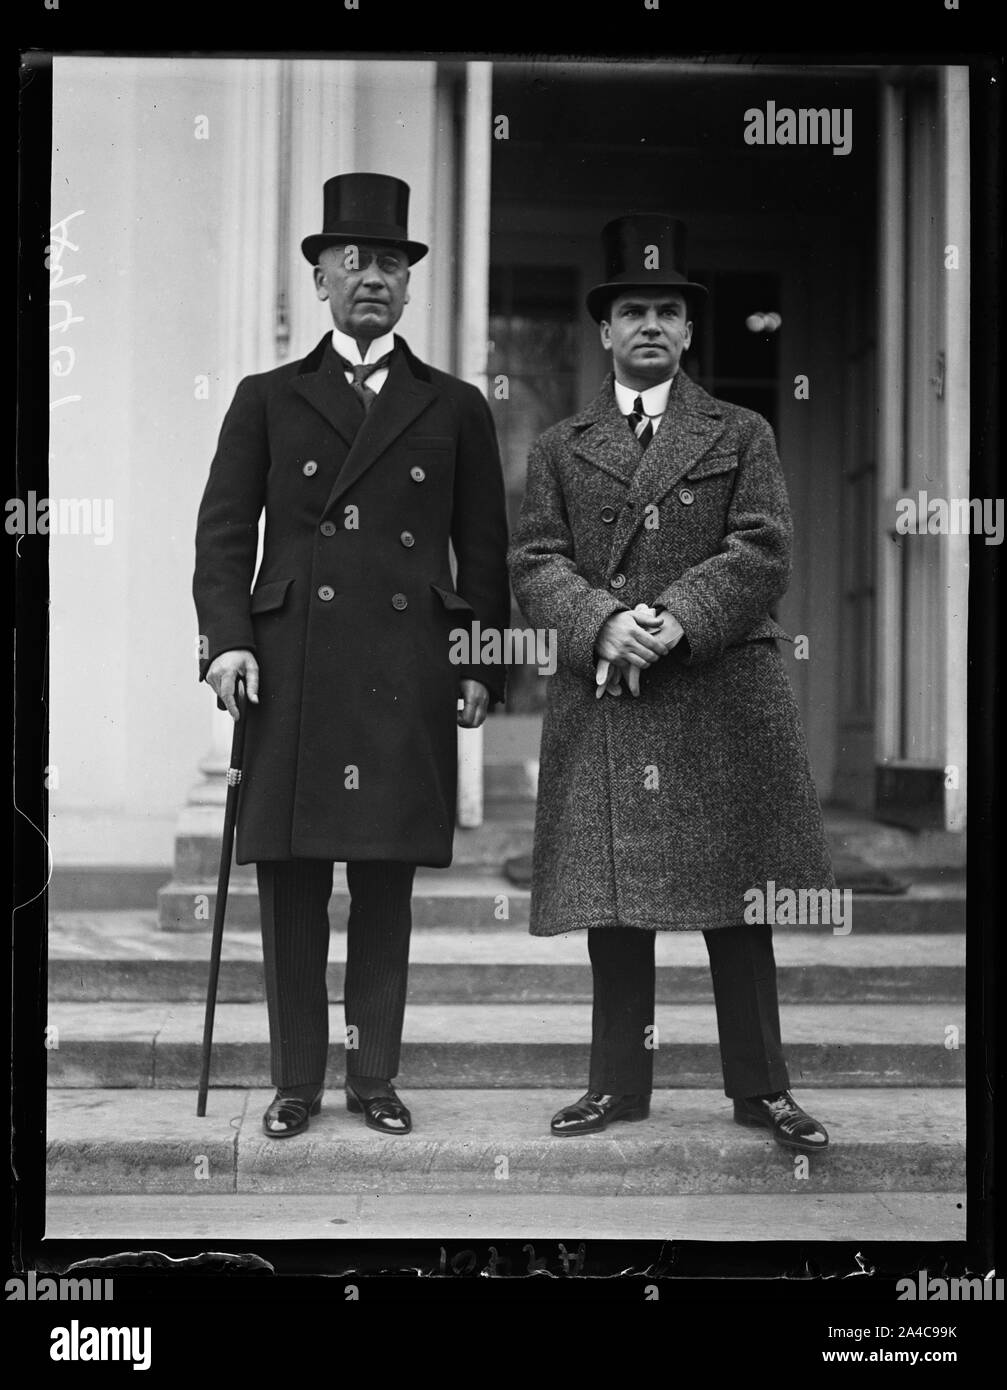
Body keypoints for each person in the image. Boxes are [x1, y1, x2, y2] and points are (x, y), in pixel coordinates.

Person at [194, 173, 509, 1139]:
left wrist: (477, 663)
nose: (371, 278)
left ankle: (373, 1078)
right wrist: (226, 646)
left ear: (409, 285)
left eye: (389, 263)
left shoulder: (453, 406)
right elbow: (220, 538)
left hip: (404, 666)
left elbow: (484, 549)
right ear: (322, 279)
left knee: (383, 879)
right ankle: (296, 1083)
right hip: (290, 666)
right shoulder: (266, 398)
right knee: (290, 880)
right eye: (353, 262)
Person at [508, 213, 833, 1151]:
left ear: (689, 331)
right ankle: (615, 1086)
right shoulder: (561, 446)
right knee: (616, 901)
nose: (649, 325)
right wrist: (603, 622)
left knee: (738, 899)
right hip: (611, 688)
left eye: (666, 311)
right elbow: (535, 561)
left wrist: (676, 618)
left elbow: (762, 546)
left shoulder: (740, 430)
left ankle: (761, 1088)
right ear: (604, 330)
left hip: (720, 688)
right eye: (630, 311)